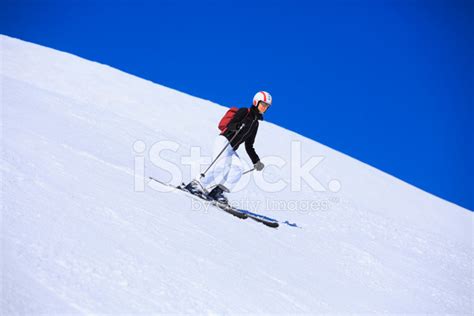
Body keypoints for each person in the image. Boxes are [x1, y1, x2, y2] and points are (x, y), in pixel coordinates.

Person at [184, 91, 272, 203]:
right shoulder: (244, 111)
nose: (264, 108)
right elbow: (229, 124)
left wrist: (256, 161)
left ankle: (217, 192)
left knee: (238, 168)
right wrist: (238, 126)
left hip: (231, 148)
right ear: (256, 102)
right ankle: (196, 185)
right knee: (221, 165)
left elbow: (249, 145)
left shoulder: (255, 124)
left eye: (267, 106)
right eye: (263, 104)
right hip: (224, 140)